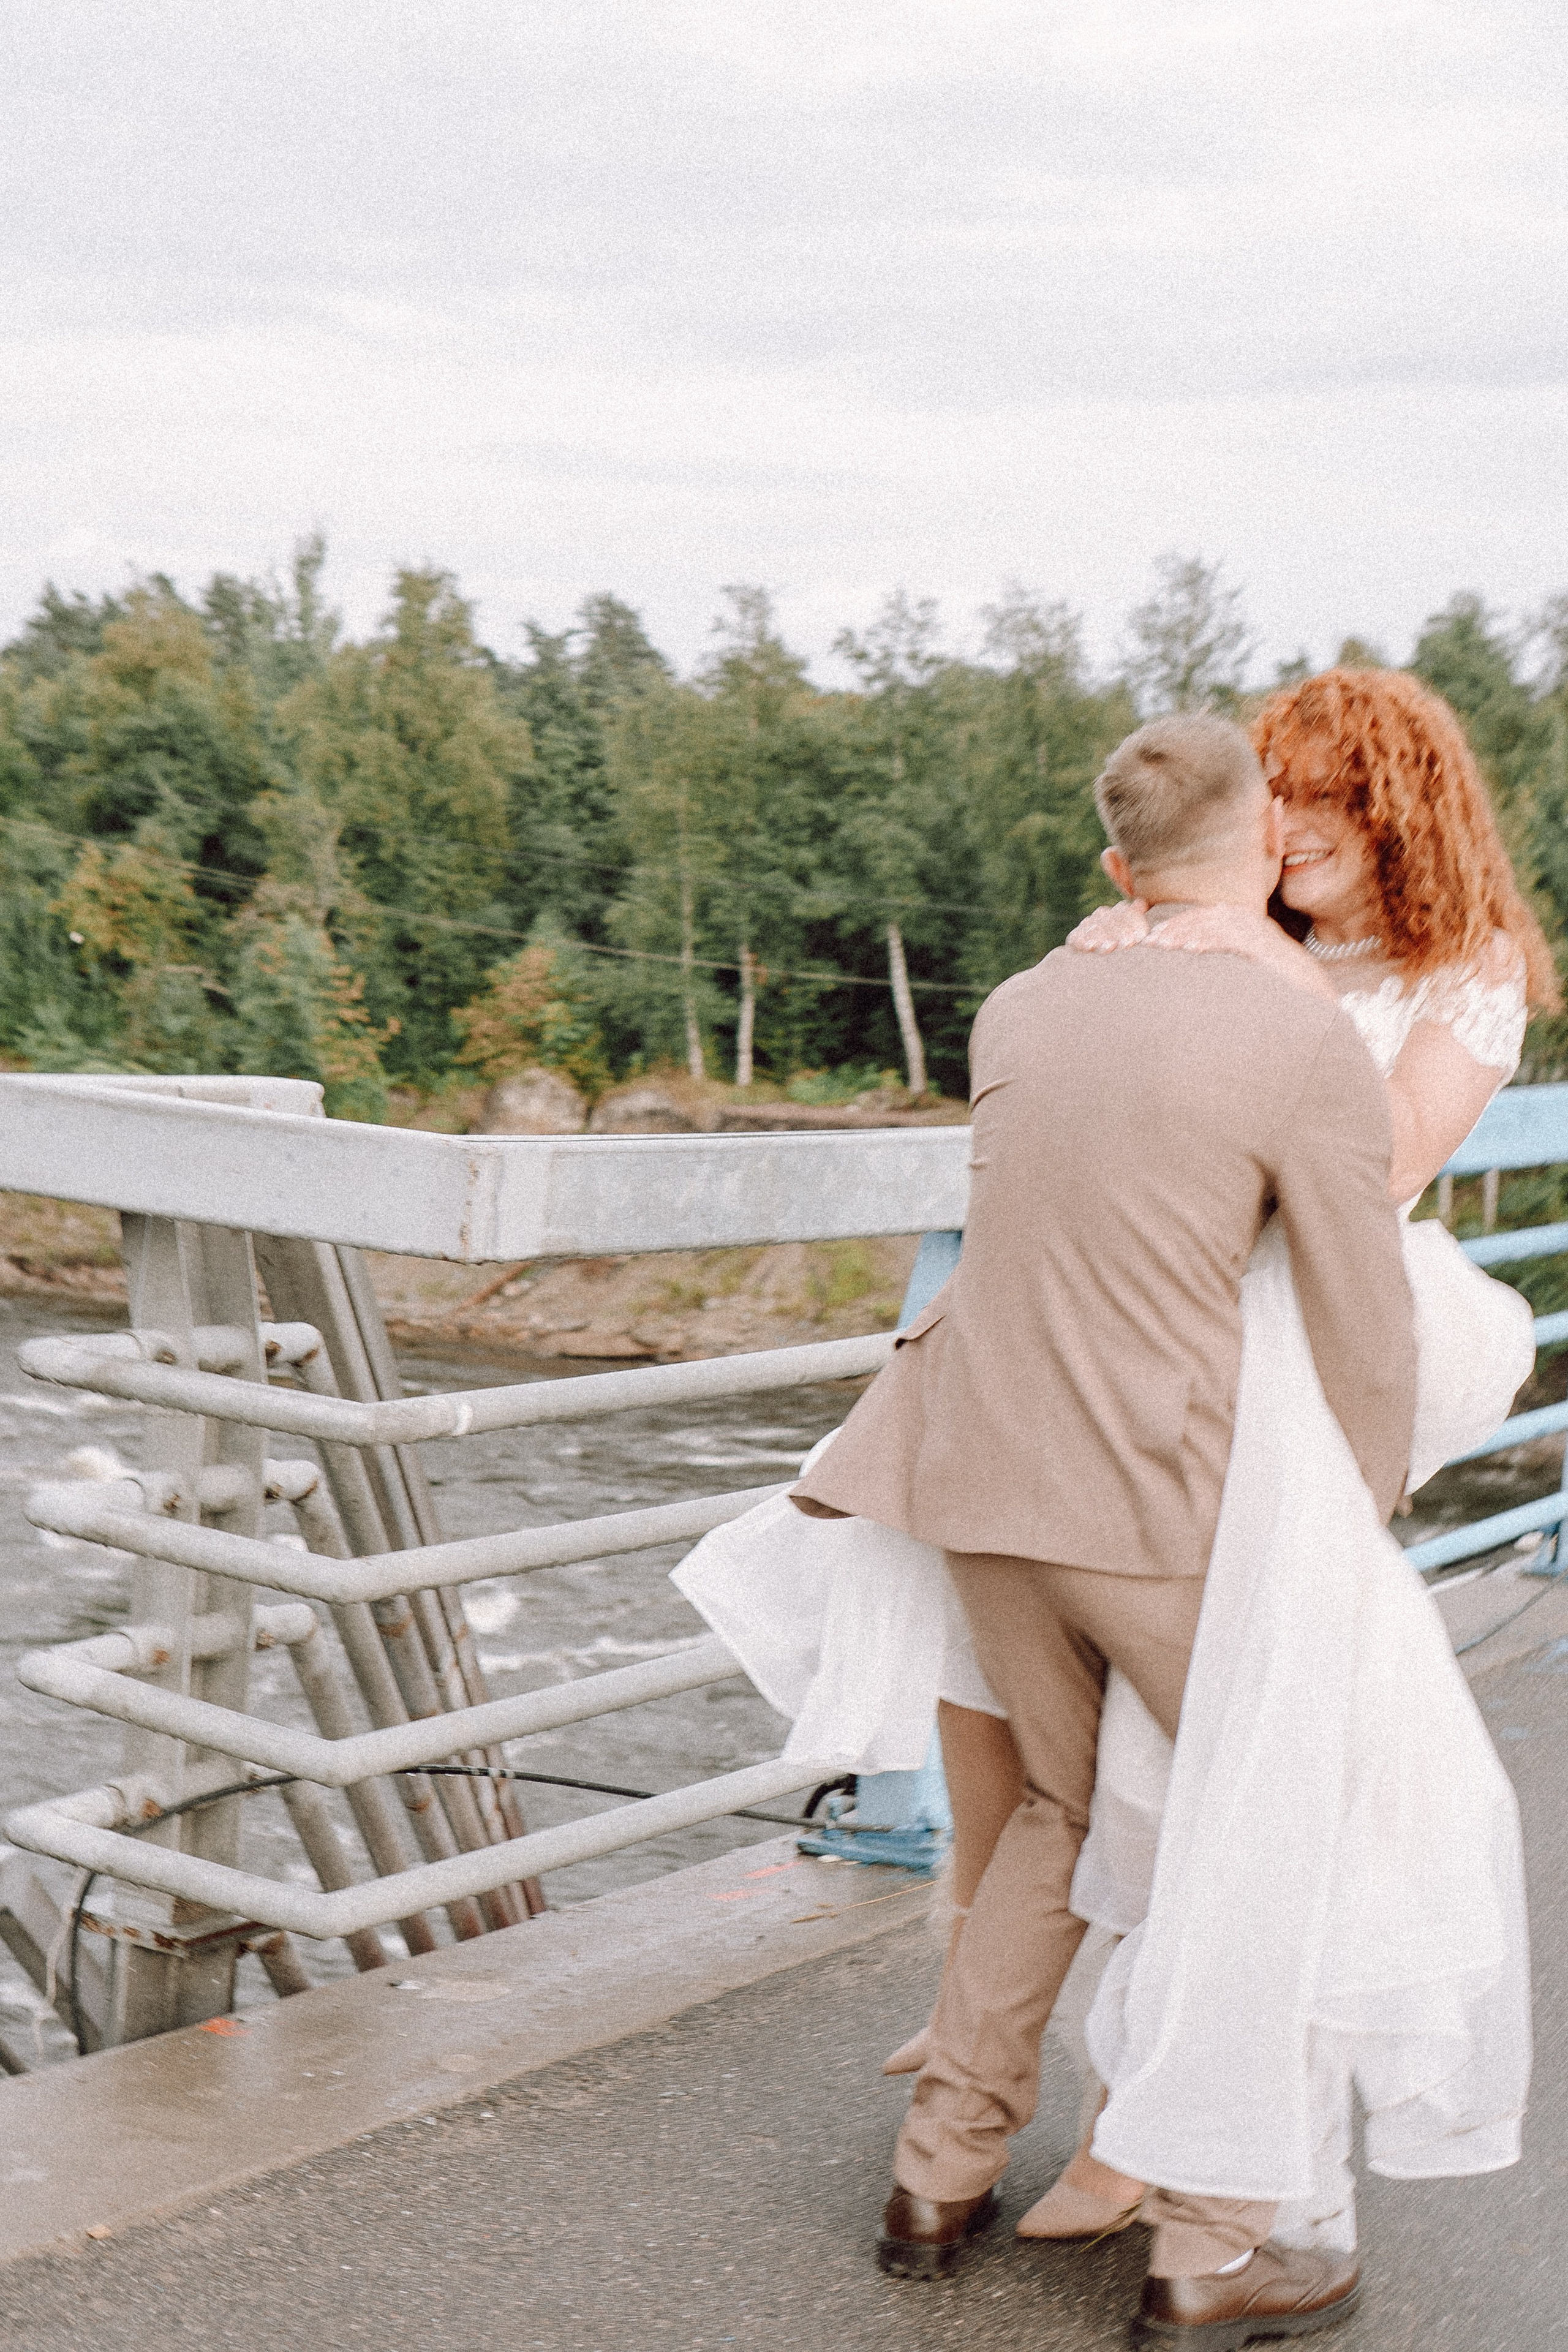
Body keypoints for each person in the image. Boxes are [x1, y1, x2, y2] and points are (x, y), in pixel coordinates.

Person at [685, 706, 1422, 2339]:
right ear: (1262, 846)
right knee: (1267, 1830)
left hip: (984, 1484)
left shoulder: (1023, 1004)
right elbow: (1366, 1322)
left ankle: (938, 2174)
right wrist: (1360, 1521)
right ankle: (1218, 2244)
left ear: (1114, 864)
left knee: (1056, 1813)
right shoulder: (1299, 1042)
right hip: (1155, 1500)